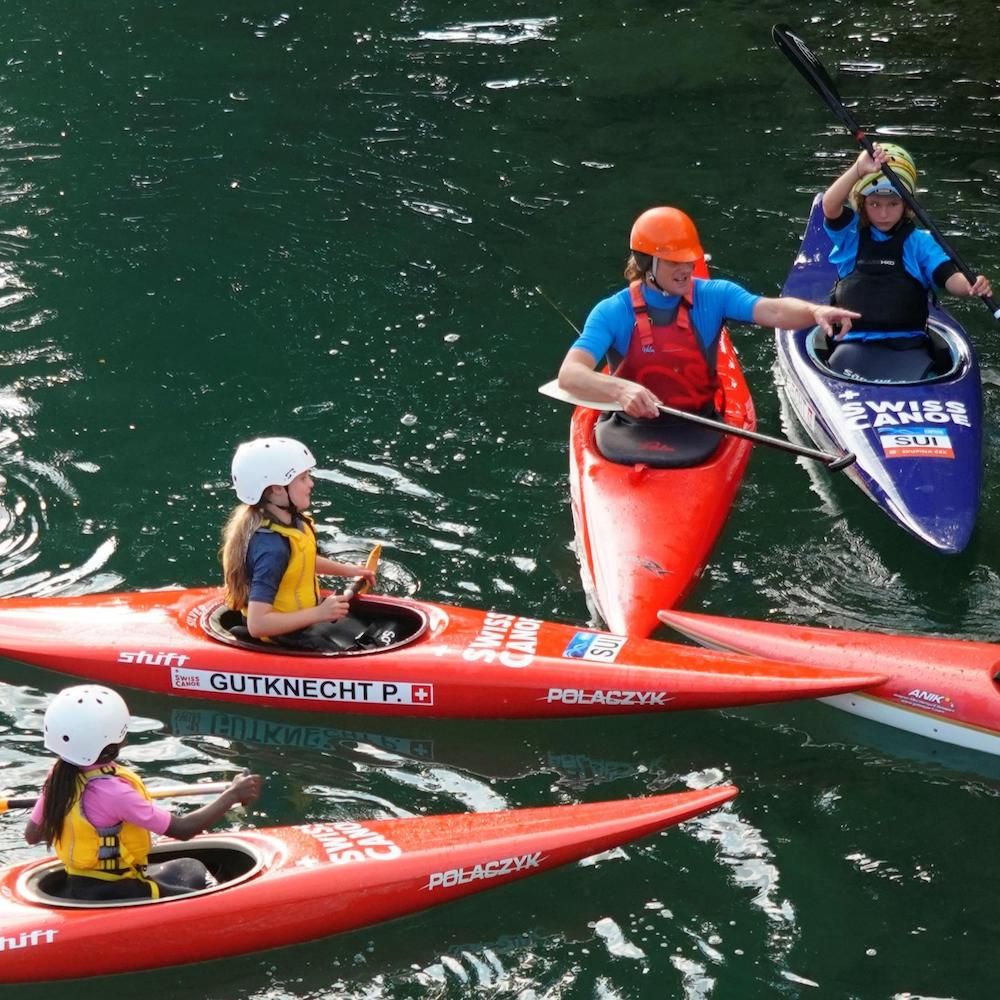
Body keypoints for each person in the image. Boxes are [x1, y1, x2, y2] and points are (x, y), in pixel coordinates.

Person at [556, 206, 860, 463]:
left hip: (698, 425)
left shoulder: (715, 296)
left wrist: (815, 312)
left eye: (689, 260)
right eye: (675, 262)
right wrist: (620, 390)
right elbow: (570, 374)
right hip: (628, 428)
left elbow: (775, 311)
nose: (686, 269)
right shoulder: (611, 311)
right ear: (647, 263)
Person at [24, 684, 262, 901]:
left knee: (191, 866)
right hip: (117, 889)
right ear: (113, 741)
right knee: (206, 889)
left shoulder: (58, 775)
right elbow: (183, 830)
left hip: (77, 881)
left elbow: (32, 835)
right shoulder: (114, 793)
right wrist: (232, 794)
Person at [820, 141, 991, 375]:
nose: (883, 213)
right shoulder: (851, 236)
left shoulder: (920, 242)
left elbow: (948, 277)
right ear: (862, 203)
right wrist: (858, 170)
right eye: (874, 204)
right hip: (851, 347)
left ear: (907, 204)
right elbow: (829, 206)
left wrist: (970, 286)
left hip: (910, 349)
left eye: (893, 203)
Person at [220, 436, 377, 651]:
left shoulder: (290, 523)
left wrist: (350, 571)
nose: (311, 483)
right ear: (277, 488)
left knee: (371, 632)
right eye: (303, 478)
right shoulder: (271, 549)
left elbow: (301, 560)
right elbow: (257, 625)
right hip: (284, 637)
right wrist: (319, 613)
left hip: (305, 622)